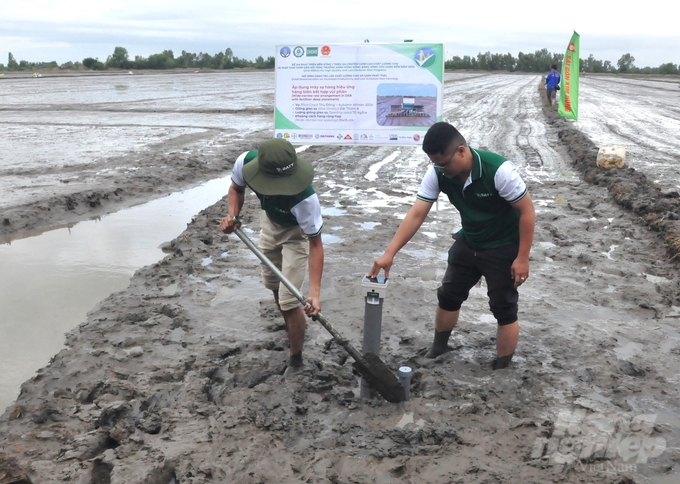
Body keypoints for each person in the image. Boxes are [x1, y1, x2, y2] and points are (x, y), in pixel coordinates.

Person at [367, 122, 535, 369]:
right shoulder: (438, 173)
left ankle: (502, 364)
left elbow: (527, 212)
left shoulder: (498, 170)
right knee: (448, 295)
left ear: (461, 151)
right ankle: (438, 348)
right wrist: (389, 253)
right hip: (469, 240)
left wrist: (522, 258)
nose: (441, 169)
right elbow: (416, 214)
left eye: (444, 163)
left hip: (503, 245)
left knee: (503, 306)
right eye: (436, 164)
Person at [220, 138, 324, 370]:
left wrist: (314, 293)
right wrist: (232, 216)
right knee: (273, 284)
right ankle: (290, 324)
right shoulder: (245, 163)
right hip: (269, 223)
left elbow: (316, 244)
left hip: (296, 234)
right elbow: (236, 189)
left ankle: (296, 360)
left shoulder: (305, 200)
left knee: (289, 300)